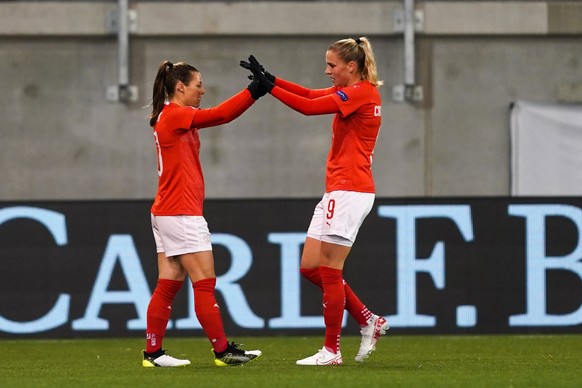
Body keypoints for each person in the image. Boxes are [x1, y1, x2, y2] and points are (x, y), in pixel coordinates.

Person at [241, 37, 388, 366]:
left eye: (332, 65)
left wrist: (268, 88)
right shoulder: (354, 92)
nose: (327, 71)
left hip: (350, 190)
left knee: (331, 271)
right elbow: (308, 94)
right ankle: (367, 319)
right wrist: (271, 78)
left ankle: (331, 351)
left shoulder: (362, 92)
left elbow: (307, 108)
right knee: (310, 267)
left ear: (351, 67)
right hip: (338, 189)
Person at [142, 60, 266, 367]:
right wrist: (254, 90)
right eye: (198, 84)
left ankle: (153, 353)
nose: (203, 90)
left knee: (168, 282)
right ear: (181, 86)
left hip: (166, 210)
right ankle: (223, 351)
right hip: (181, 212)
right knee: (204, 283)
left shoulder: (168, 116)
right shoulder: (176, 115)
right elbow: (221, 115)